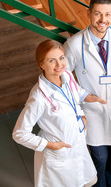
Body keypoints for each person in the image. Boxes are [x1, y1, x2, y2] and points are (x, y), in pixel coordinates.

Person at [64, 0, 111, 187]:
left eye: (107, 14)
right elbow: (63, 75)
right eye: (97, 14)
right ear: (89, 13)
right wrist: (83, 95)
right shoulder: (75, 44)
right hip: (93, 111)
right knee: (100, 159)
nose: (102, 20)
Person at [13, 40, 105, 187]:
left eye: (61, 58)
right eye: (51, 60)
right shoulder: (39, 97)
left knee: (86, 181)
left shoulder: (67, 76)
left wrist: (86, 101)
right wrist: (50, 145)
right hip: (58, 153)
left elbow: (75, 92)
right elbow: (19, 134)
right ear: (41, 65)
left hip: (77, 144)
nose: (59, 65)